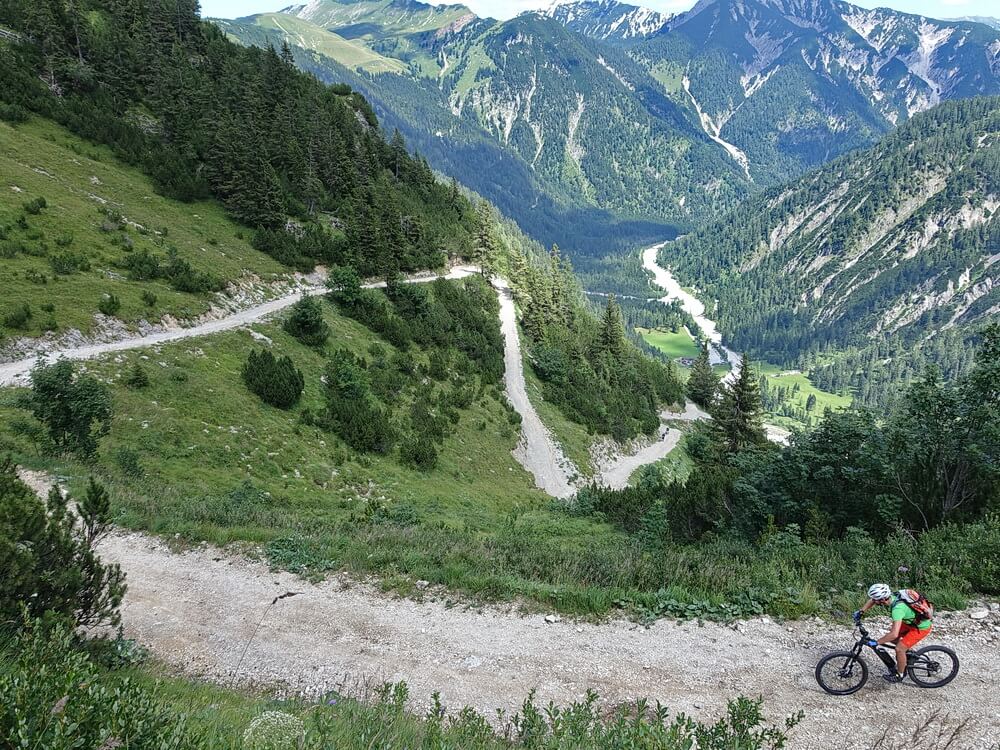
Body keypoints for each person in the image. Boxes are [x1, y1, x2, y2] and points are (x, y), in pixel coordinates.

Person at [853, 583, 933, 683]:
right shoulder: (891, 597)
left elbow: (894, 633)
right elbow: (873, 600)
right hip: (910, 622)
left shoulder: (897, 610)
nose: (873, 601)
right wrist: (861, 611)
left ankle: (900, 674)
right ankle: (908, 653)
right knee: (894, 640)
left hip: (920, 628)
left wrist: (877, 642)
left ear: (882, 600)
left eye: (875, 599)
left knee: (899, 648)